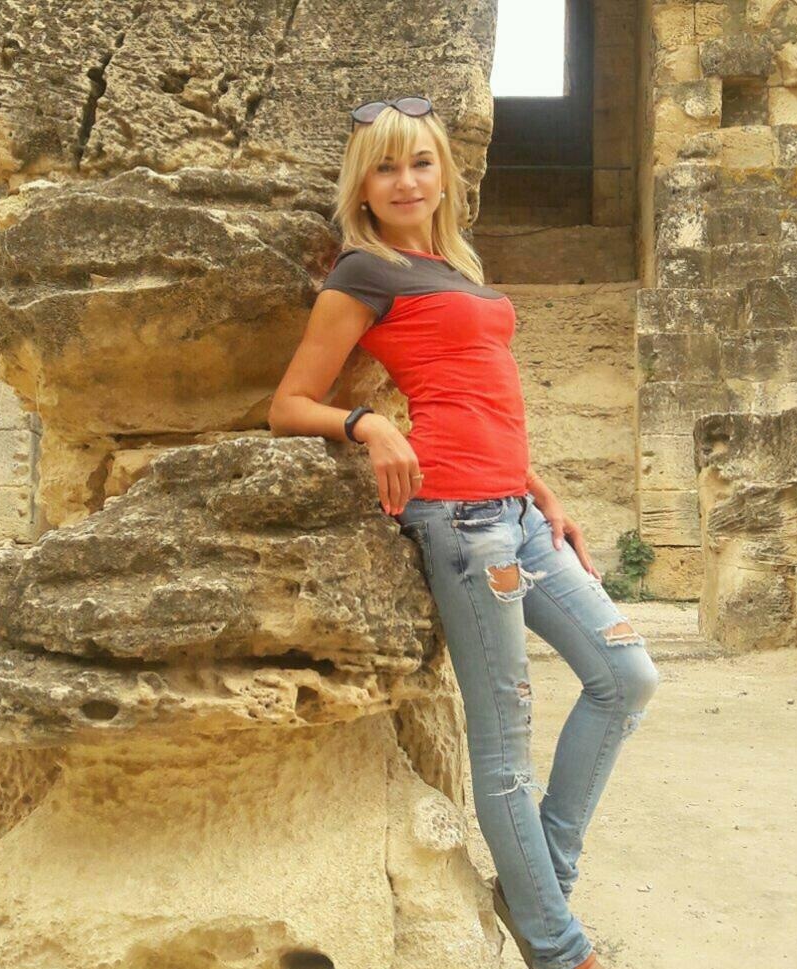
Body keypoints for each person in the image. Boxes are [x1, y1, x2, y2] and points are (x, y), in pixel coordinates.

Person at [268, 95, 661, 969]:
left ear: (444, 174)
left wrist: (540, 487)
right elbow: (288, 404)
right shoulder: (362, 273)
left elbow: (481, 392)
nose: (405, 180)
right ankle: (560, 948)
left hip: (515, 510)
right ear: (361, 188)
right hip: (457, 517)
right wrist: (368, 424)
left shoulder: (454, 264)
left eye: (420, 162)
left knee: (627, 675)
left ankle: (538, 889)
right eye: (384, 167)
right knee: (505, 741)